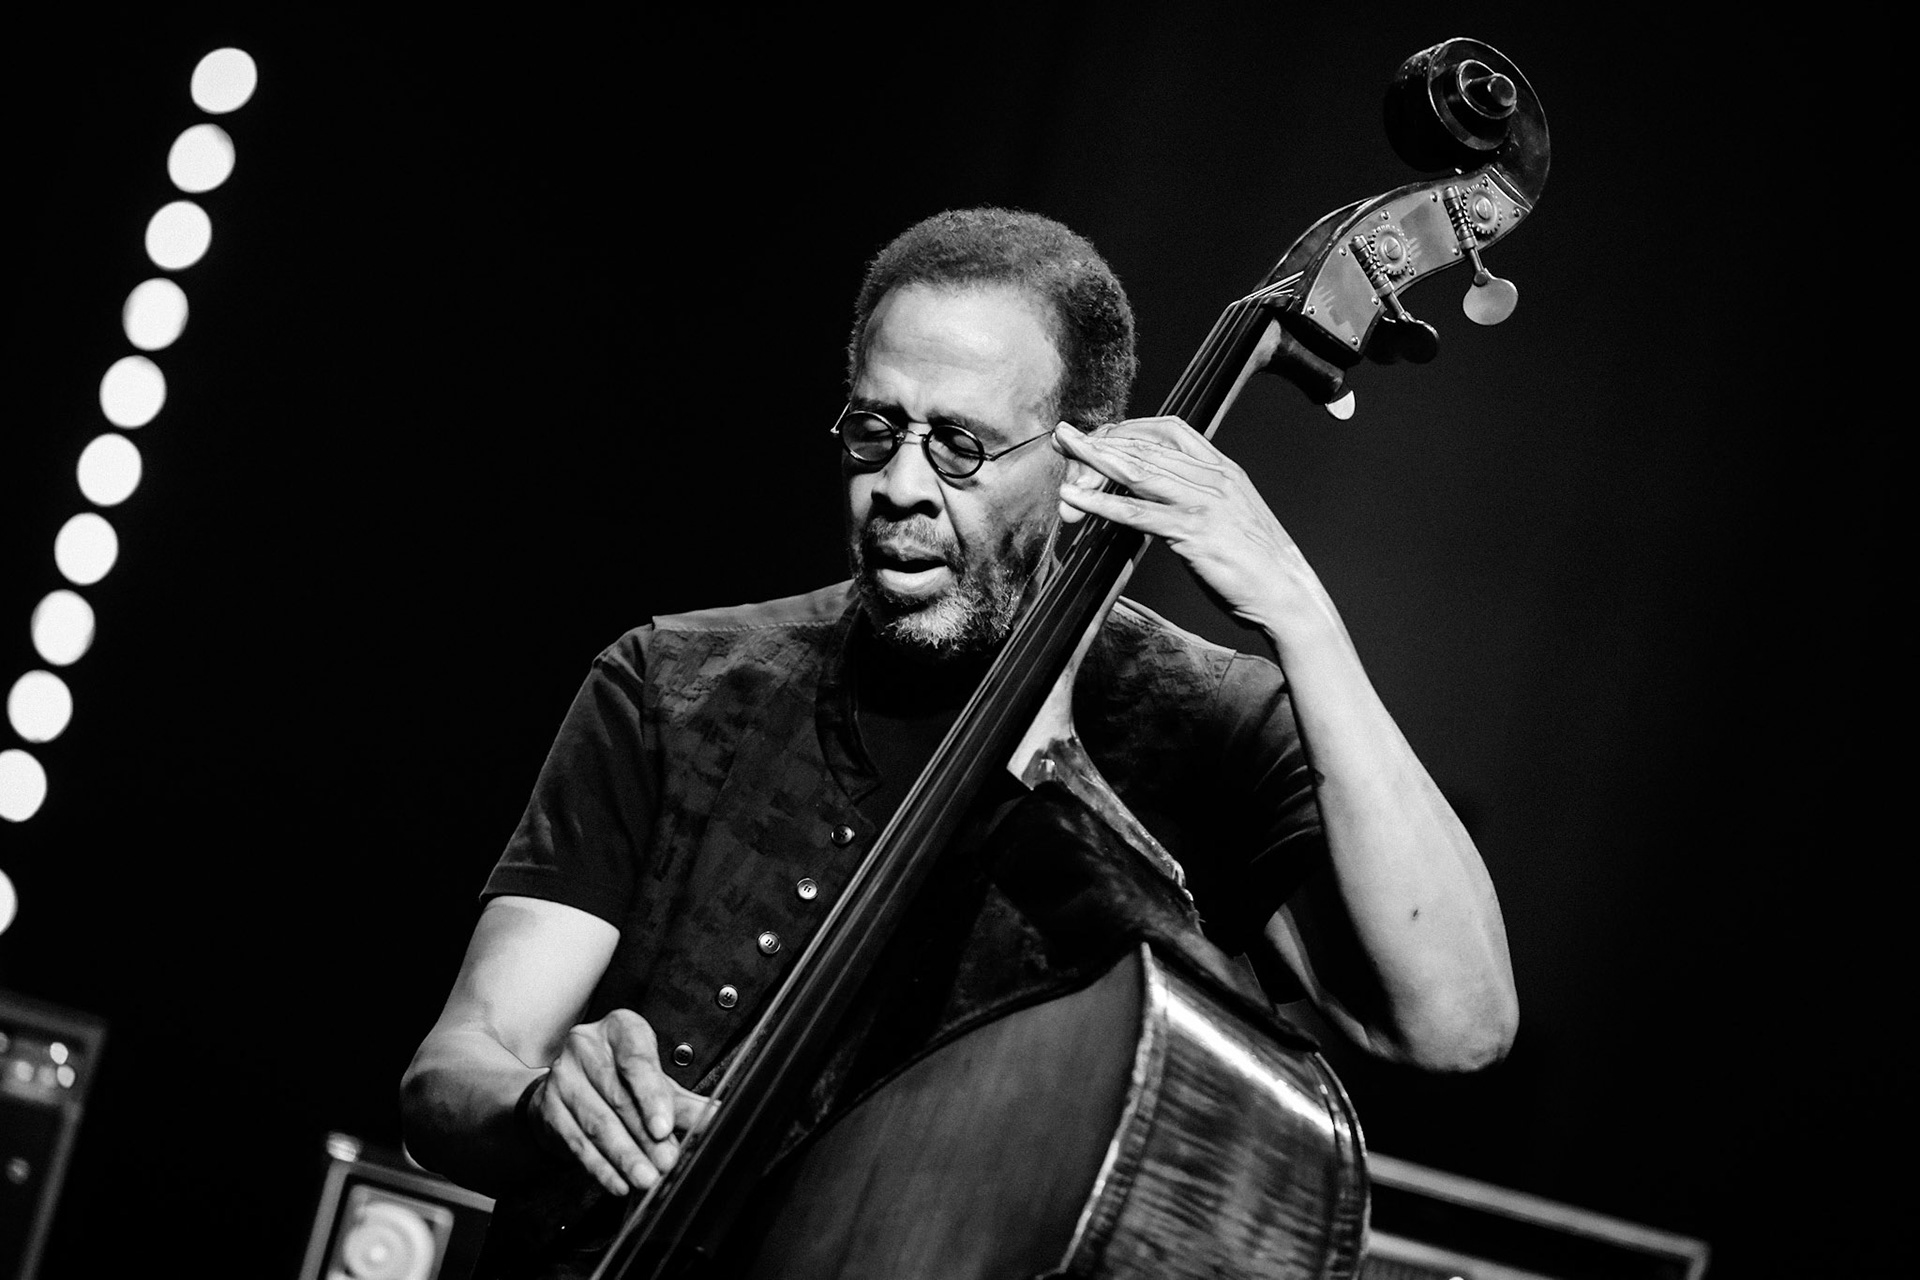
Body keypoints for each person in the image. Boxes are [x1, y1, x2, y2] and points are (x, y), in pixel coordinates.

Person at [399, 206, 1517, 1270]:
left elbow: (1457, 1022)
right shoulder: (670, 683)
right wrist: (541, 1101)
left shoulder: (1216, 724)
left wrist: (1300, 613)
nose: (898, 486)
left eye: (963, 446)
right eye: (875, 427)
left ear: (1085, 461)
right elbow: (454, 1069)